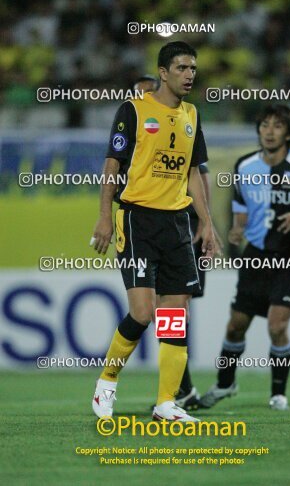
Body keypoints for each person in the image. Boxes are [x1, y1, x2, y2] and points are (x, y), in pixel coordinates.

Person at [91, 41, 215, 422]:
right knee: (143, 313)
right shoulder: (133, 109)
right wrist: (103, 217)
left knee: (176, 316)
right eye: (181, 68)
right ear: (163, 72)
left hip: (177, 224)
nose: (189, 74)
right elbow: (113, 164)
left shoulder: (193, 114)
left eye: (192, 68)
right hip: (137, 218)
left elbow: (193, 173)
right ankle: (106, 384)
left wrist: (207, 223)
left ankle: (166, 403)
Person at [199, 104, 290, 411]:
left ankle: (278, 394)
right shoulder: (245, 165)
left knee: (276, 325)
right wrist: (236, 229)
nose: (269, 131)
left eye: (277, 126)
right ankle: (225, 384)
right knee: (236, 325)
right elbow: (241, 203)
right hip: (256, 255)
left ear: (289, 133)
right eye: (265, 125)